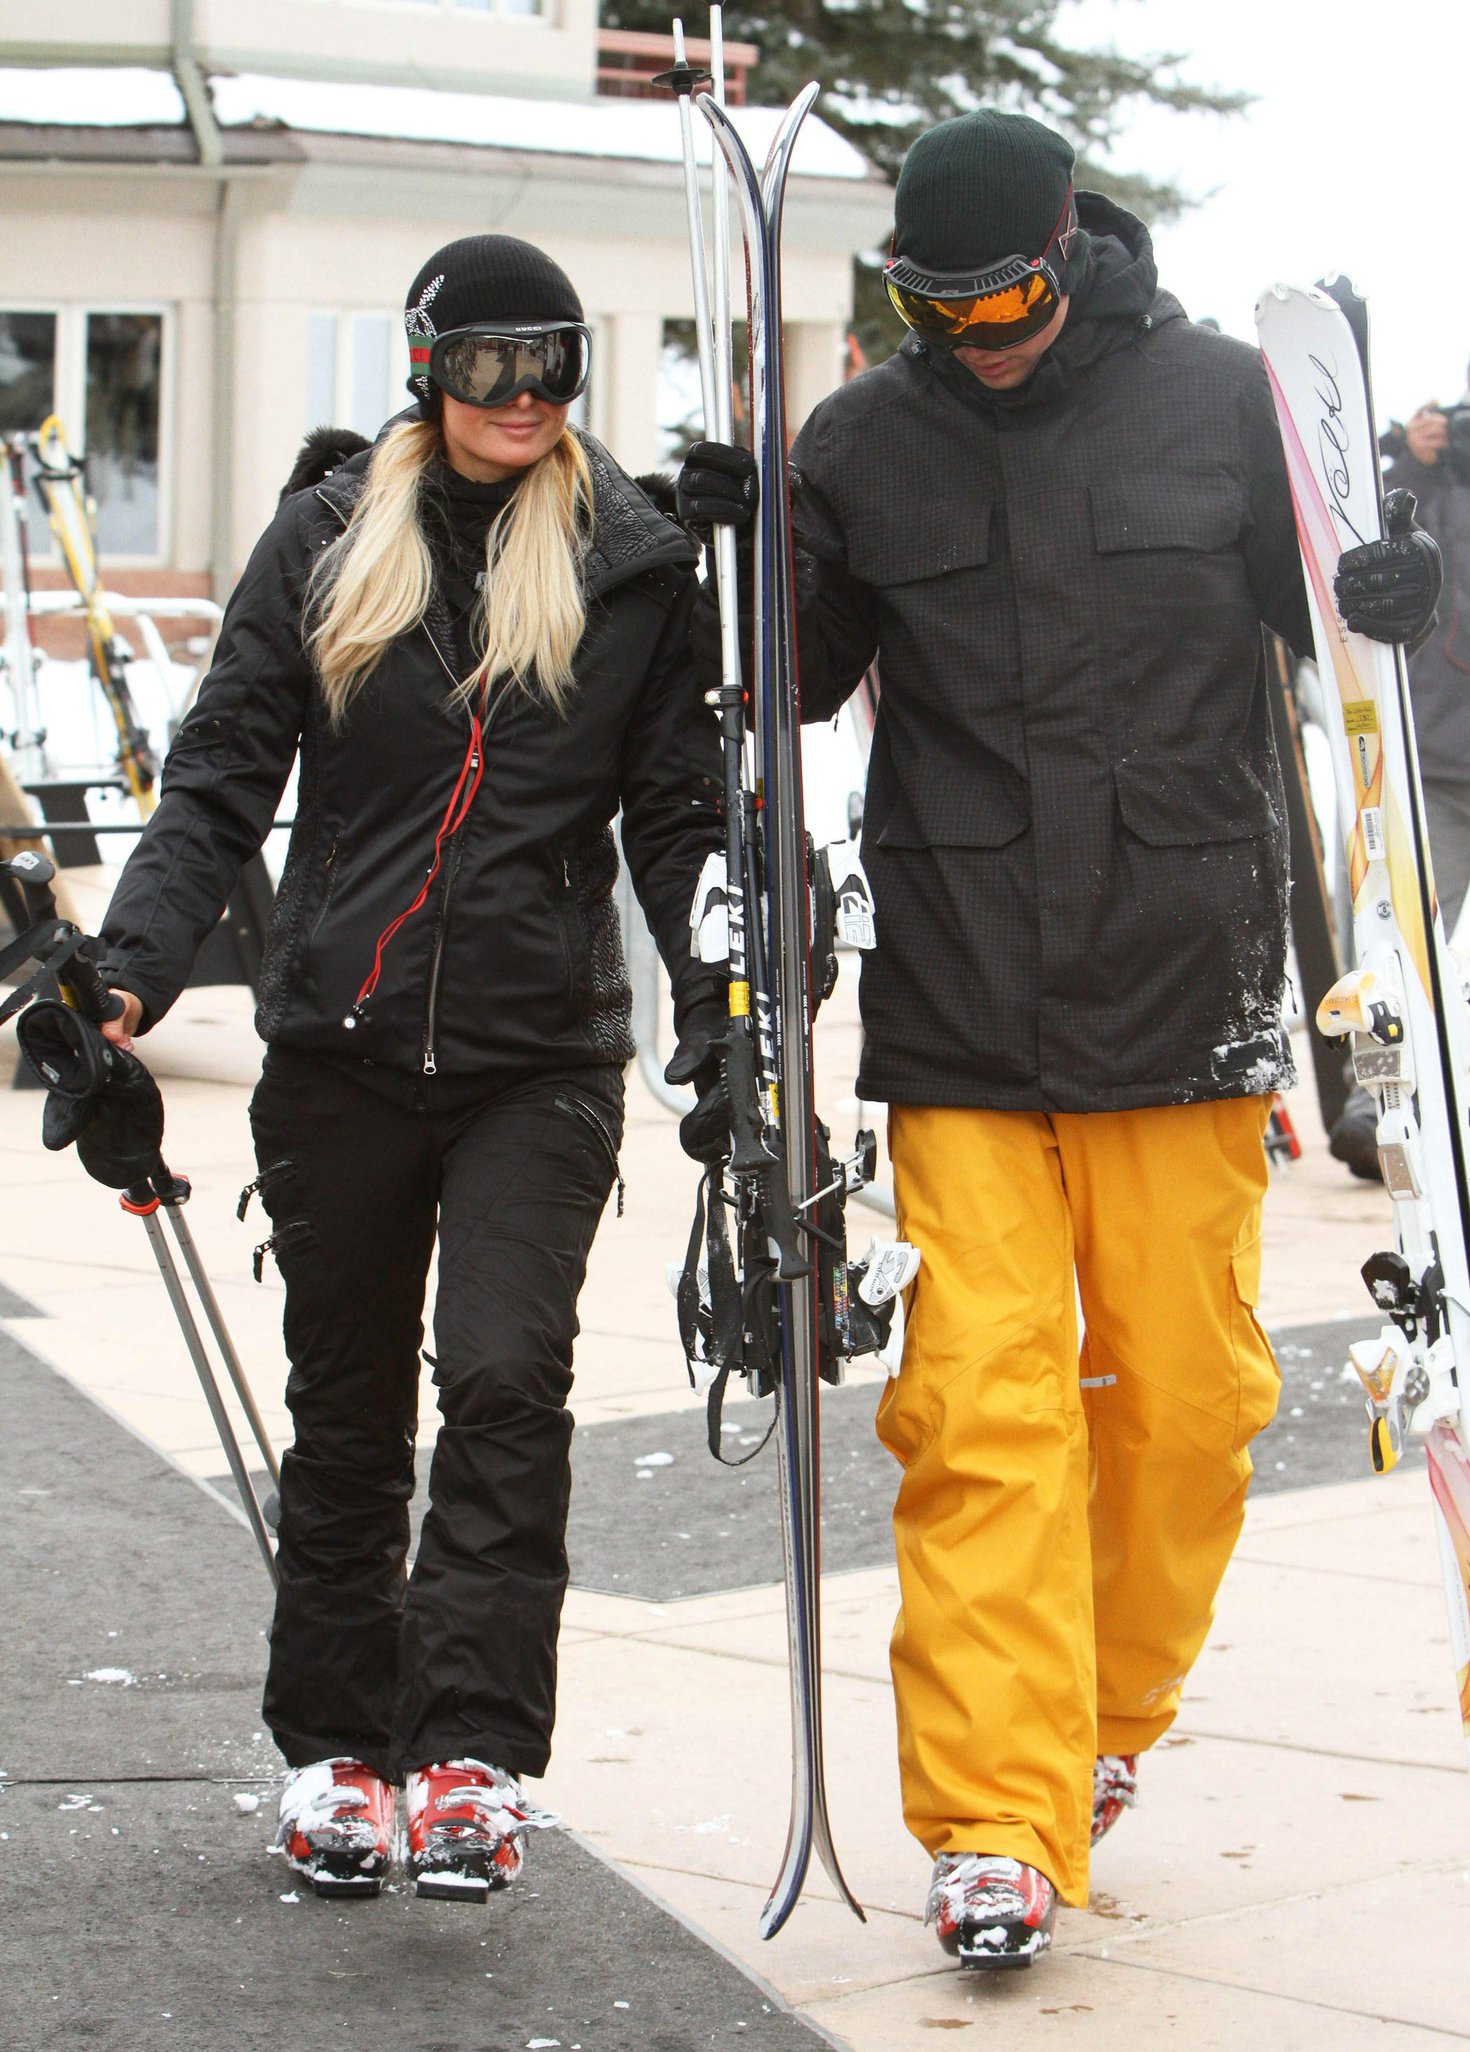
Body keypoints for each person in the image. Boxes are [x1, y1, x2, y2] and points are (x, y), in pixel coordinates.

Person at [678, 111, 1439, 1969]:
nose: (984, 334)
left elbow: (1351, 642)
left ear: (1071, 244)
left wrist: (1410, 588)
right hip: (956, 1006)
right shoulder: (862, 444)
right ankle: (996, 1815)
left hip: (1184, 990)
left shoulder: (1220, 404)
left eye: (1008, 292)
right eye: (939, 308)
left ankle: (1097, 1719)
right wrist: (703, 552)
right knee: (983, 1416)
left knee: (1191, 1410)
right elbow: (772, 688)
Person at [93, 234, 724, 1901]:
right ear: (430, 367)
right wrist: (126, 977)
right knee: (351, 1408)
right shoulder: (323, 542)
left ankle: (469, 1749)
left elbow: (676, 817)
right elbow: (219, 775)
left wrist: (726, 1002)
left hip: (541, 1053)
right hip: (343, 1050)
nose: (528, 399)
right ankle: (333, 1746)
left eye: (560, 364)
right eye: (495, 364)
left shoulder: (635, 562)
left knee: (507, 1381)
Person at [1329, 377, 1470, 1175]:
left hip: (1444, 746)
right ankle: (1375, 1095)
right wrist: (1412, 463)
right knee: (1404, 931)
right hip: (1442, 759)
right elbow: (1387, 557)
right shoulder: (1432, 480)